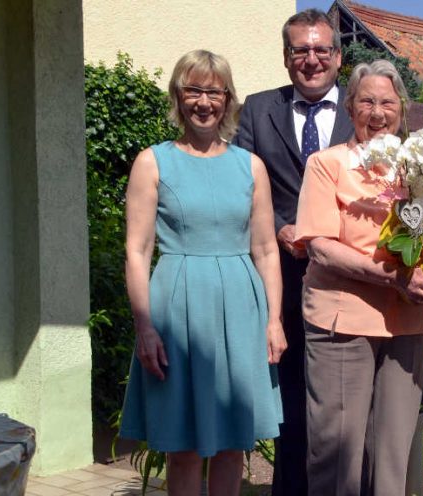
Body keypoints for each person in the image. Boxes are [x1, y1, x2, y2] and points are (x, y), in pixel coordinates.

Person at [119, 49, 286, 496]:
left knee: (235, 440)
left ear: (228, 99)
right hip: (178, 309)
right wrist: (144, 326)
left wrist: (274, 320)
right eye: (193, 90)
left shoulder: (251, 166)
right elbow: (137, 250)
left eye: (214, 91)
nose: (204, 101)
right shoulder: (151, 163)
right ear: (178, 96)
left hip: (239, 308)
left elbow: (267, 249)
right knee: (185, 444)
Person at [293, 59, 423, 496]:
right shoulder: (328, 164)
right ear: (349, 108)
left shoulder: (421, 166)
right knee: (337, 455)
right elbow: (320, 245)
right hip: (343, 322)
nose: (377, 112)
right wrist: (395, 277)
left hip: (408, 322)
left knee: (393, 456)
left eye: (387, 101)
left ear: (402, 106)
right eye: (366, 101)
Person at [234, 9, 353, 495]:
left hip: (350, 278)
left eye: (321, 49)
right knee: (288, 393)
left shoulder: (362, 108)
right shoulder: (257, 109)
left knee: (344, 397)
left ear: (338, 57)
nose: (311, 59)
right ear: (286, 58)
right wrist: (281, 228)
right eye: (300, 50)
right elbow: (241, 187)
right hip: (279, 277)